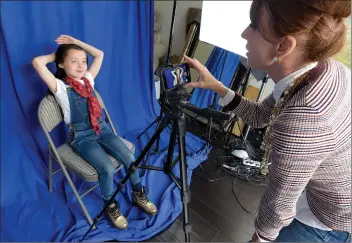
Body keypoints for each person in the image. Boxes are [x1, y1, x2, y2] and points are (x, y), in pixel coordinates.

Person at [183, 0, 351, 242]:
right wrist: (218, 87)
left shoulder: (302, 120)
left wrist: (260, 238)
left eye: (254, 26)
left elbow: (279, 206)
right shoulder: (322, 70)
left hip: (330, 222)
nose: (244, 34)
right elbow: (259, 116)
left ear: (284, 46)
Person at [32, 35, 158, 230]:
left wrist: (75, 41)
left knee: (130, 157)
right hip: (82, 137)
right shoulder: (61, 88)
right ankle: (110, 204)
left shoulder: (88, 80)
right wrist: (55, 55)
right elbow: (37, 63)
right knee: (106, 168)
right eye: (74, 61)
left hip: (102, 130)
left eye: (83, 61)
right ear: (62, 64)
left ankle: (138, 192)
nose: (81, 66)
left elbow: (99, 54)